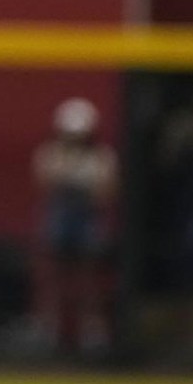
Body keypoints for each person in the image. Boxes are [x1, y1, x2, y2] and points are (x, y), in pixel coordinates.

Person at [31, 97, 118, 357]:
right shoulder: (51, 153)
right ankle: (49, 330)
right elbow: (45, 181)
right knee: (53, 279)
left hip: (87, 222)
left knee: (89, 280)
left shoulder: (101, 157)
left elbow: (106, 190)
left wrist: (76, 182)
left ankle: (92, 333)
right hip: (59, 221)